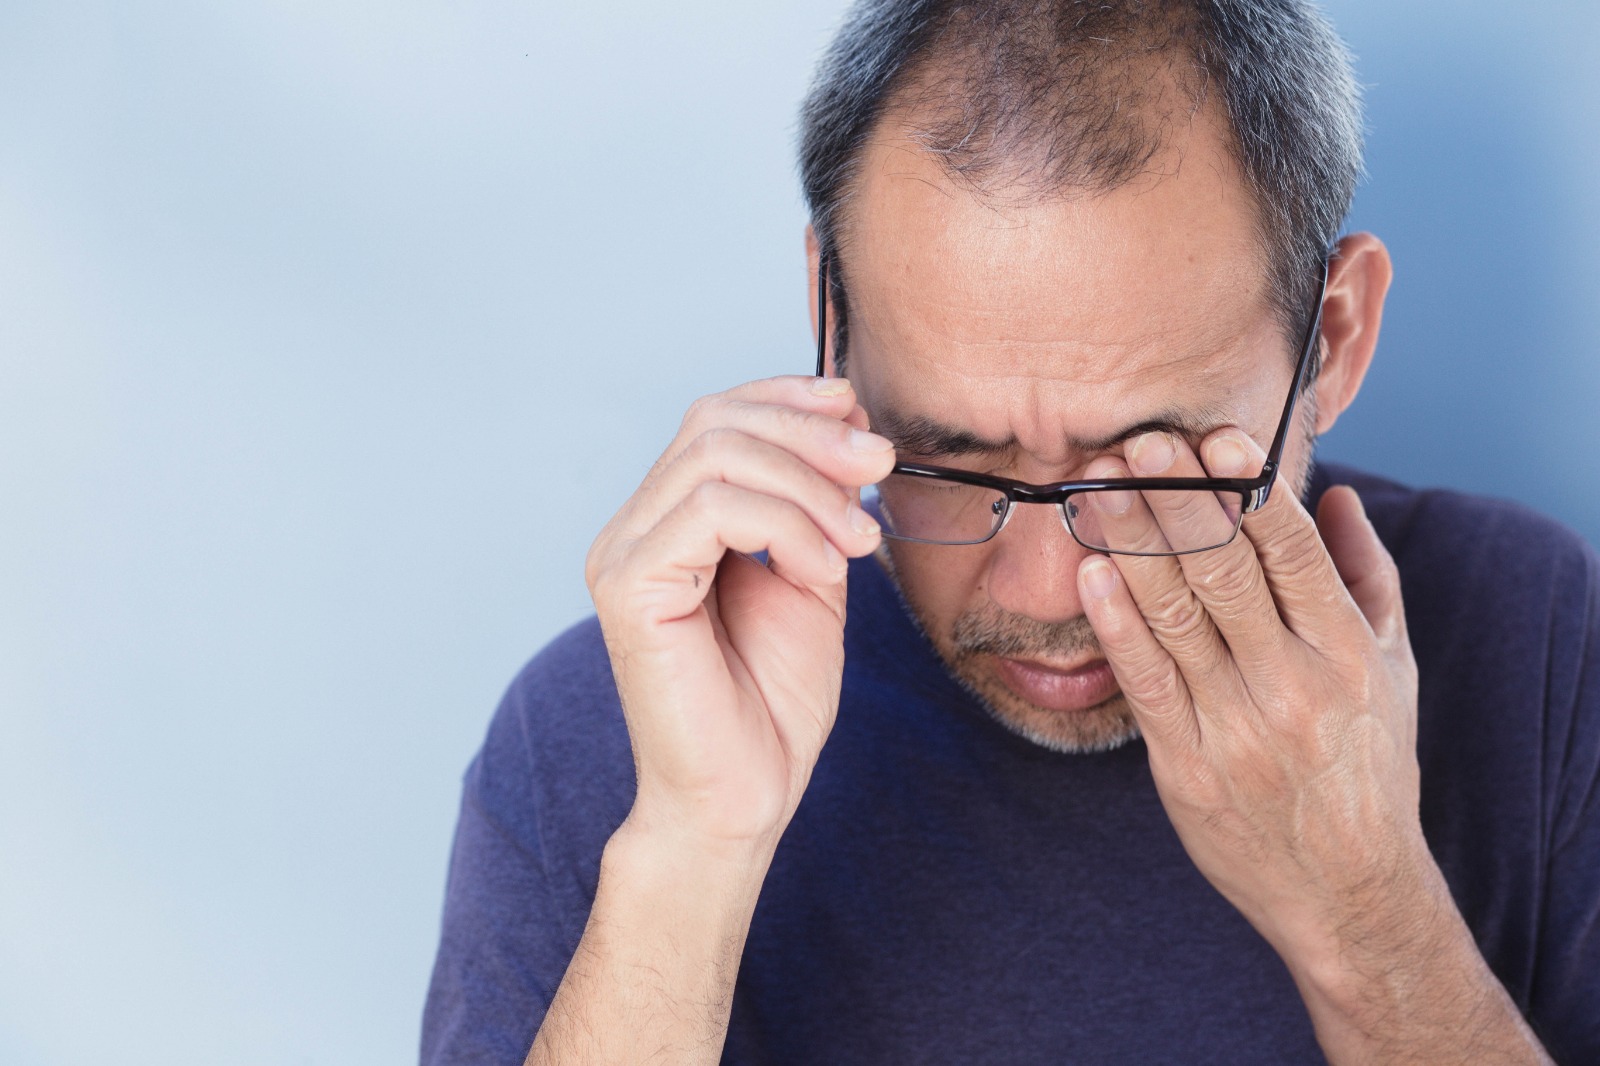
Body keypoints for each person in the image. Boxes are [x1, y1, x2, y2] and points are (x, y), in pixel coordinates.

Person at [422, 1, 1600, 1062]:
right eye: (947, 456)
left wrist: (1367, 916)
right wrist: (689, 852)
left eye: (1148, 464)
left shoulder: (1532, 641)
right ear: (833, 323)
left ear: (1332, 341)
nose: (1045, 591)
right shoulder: (609, 727)